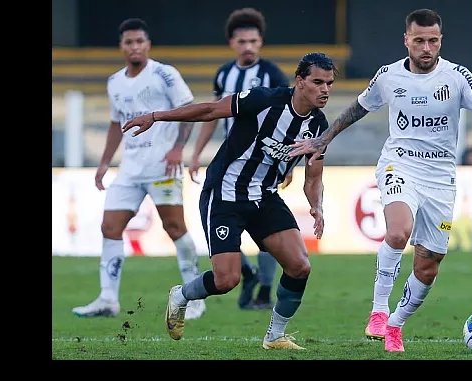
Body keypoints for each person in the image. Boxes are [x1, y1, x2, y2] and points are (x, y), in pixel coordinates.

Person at [288, 9, 472, 353]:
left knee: (429, 263)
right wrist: (324, 139)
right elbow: (358, 108)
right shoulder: (388, 76)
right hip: (399, 164)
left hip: (441, 178)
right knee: (397, 231)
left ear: (440, 41)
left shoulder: (457, 77)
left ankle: (395, 324)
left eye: (432, 41)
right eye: (419, 40)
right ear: (406, 39)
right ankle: (378, 311)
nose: (426, 47)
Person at [121, 52, 334, 350]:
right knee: (226, 280)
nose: (325, 89)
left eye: (329, 83)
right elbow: (209, 110)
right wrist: (156, 116)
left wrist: (316, 204)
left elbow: (313, 176)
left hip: (265, 197)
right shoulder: (263, 100)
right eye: (318, 82)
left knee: (300, 266)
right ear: (300, 82)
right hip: (225, 193)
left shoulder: (319, 126)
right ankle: (181, 295)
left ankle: (275, 336)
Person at [72, 18, 204, 319]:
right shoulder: (115, 81)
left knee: (174, 228)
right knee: (110, 228)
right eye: (129, 42)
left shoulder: (165, 74)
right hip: (130, 169)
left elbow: (189, 109)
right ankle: (107, 299)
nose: (135, 47)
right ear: (121, 46)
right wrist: (105, 162)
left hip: (162, 166)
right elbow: (116, 124)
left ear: (148, 44)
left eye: (140, 41)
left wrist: (178, 148)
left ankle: (195, 297)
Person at [190, 8, 288, 311]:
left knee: (269, 228)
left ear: (260, 42)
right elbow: (212, 114)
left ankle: (264, 291)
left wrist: (286, 163)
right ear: (232, 42)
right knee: (221, 228)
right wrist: (196, 153)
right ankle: (246, 272)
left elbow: (288, 117)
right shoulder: (223, 74)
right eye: (242, 41)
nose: (248, 46)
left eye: (253, 41)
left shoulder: (272, 74)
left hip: (264, 165)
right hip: (229, 164)